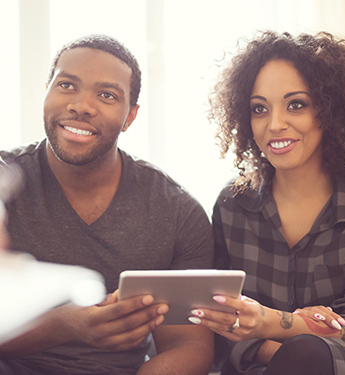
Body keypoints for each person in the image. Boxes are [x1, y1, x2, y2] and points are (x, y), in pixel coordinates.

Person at [0, 34, 214, 375]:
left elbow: (188, 344)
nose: (82, 105)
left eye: (107, 95)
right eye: (67, 85)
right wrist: (64, 325)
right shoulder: (3, 185)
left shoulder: (176, 212)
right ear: (46, 91)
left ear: (130, 116)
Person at [187, 31, 345, 375]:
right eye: (260, 109)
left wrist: (272, 323)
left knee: (310, 354)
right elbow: (221, 325)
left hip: (341, 368)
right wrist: (283, 350)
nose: (274, 124)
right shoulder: (233, 204)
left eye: (296, 104)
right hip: (261, 368)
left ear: (330, 110)